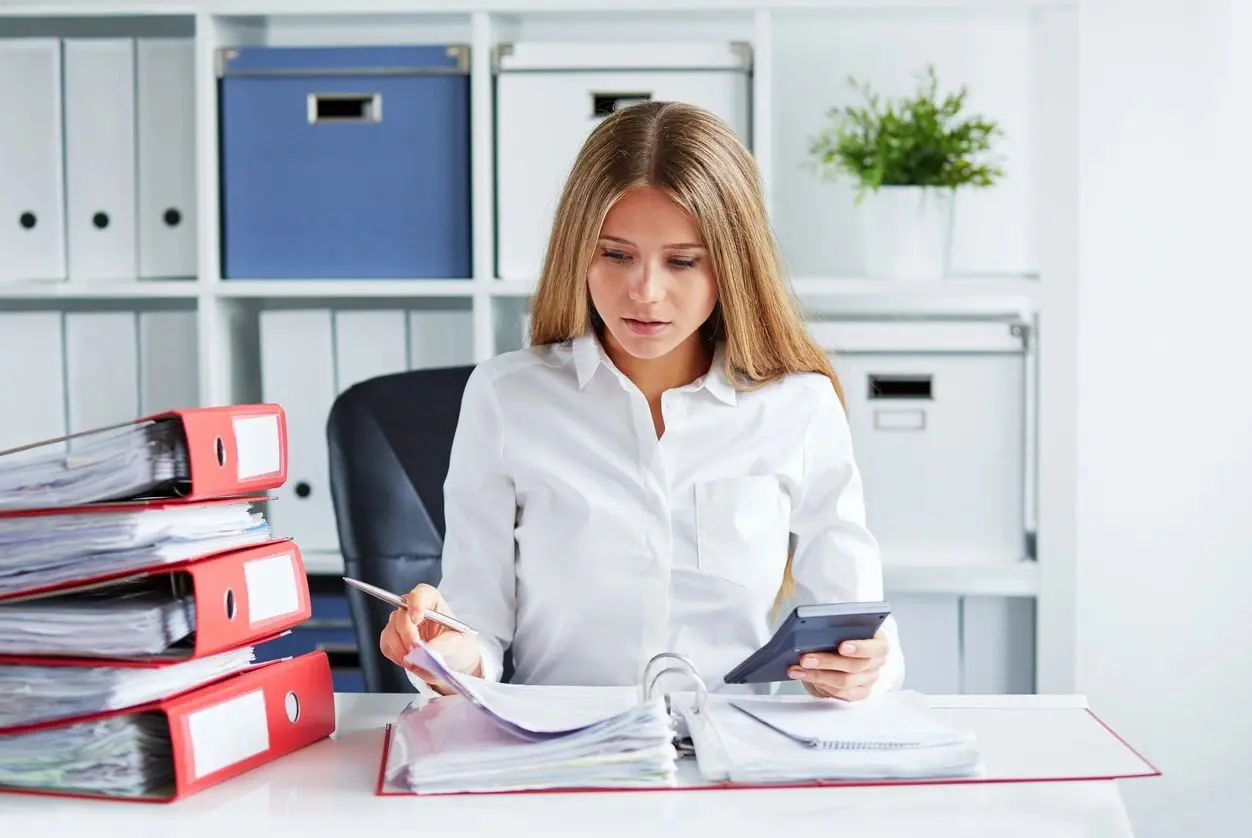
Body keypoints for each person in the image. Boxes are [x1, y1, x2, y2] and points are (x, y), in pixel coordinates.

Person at [379, 100, 904, 702]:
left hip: (731, 757)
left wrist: (864, 670)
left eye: (682, 261)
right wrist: (443, 653)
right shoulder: (506, 398)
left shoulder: (799, 407)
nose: (645, 292)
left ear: (733, 266)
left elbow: (857, 624)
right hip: (562, 755)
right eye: (616, 254)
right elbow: (478, 634)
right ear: (578, 251)